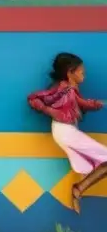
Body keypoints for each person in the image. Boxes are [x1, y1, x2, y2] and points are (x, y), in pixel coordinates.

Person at [27, 52, 107, 213]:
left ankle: (79, 188)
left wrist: (97, 104)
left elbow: (81, 104)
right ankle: (79, 188)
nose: (84, 75)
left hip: (68, 131)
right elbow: (34, 98)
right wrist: (50, 111)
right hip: (65, 131)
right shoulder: (63, 89)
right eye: (81, 72)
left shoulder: (71, 89)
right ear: (70, 73)